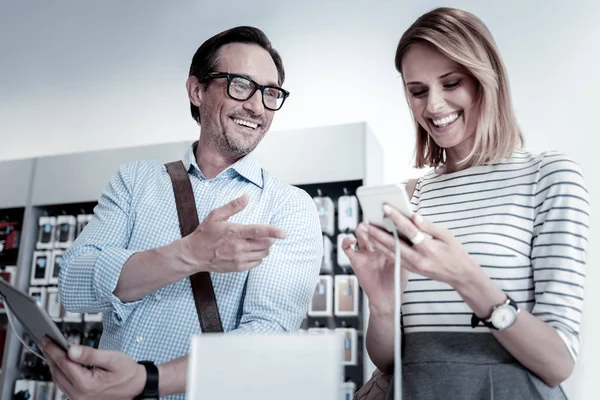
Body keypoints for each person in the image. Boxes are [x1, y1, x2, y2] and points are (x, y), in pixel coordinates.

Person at [40, 26, 323, 399]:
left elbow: (268, 334)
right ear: (197, 90)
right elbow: (73, 285)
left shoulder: (289, 206)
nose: (257, 106)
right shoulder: (136, 181)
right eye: (241, 85)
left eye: (271, 93)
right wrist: (190, 254)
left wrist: (147, 380)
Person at [344, 7, 589, 399]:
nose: (434, 106)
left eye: (452, 83)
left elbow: (558, 363)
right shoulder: (412, 195)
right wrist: (383, 305)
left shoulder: (548, 176)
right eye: (418, 91)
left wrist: (464, 277)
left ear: (485, 79)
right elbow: (389, 362)